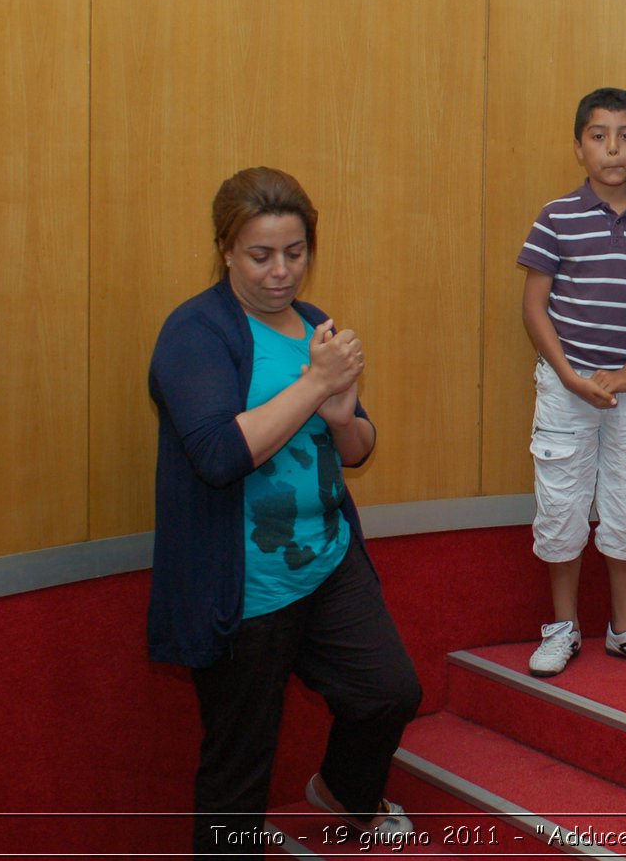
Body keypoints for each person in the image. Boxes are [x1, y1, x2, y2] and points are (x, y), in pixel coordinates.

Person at [148, 167, 421, 854]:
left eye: (294, 253)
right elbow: (216, 454)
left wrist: (337, 412)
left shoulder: (311, 323)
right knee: (239, 766)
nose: (280, 272)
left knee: (389, 691)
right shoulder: (194, 333)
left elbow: (358, 446)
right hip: (244, 588)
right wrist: (319, 383)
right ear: (226, 251)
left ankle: (347, 793)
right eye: (260, 255)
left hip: (327, 559)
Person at [517, 87, 626, 677]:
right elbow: (534, 308)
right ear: (578, 146)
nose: (612, 148)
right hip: (564, 389)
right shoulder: (555, 216)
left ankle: (623, 630)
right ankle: (563, 629)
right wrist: (569, 377)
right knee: (562, 507)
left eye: (625, 136)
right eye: (598, 136)